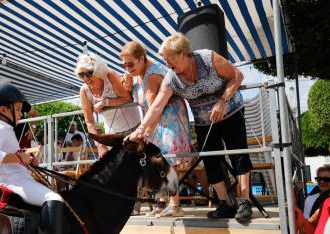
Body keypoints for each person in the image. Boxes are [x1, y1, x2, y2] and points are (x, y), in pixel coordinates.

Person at [127, 32, 252, 220]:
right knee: (210, 161)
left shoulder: (208, 58)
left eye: (171, 59)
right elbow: (157, 106)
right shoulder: (171, 78)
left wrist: (223, 101)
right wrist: (140, 129)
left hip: (231, 111)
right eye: (165, 60)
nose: (168, 64)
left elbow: (237, 76)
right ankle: (225, 203)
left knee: (238, 154)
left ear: (184, 53)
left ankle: (244, 201)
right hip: (203, 121)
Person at [0, 83, 83, 234]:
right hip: (11, 181)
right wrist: (20, 158)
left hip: (16, 176)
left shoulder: (5, 127)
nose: (21, 114)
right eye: (17, 109)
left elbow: (8, 154)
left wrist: (25, 157)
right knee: (54, 199)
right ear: (3, 110)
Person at [120, 41, 191, 217]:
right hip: (155, 120)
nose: (127, 68)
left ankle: (175, 205)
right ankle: (162, 203)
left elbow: (154, 109)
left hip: (167, 119)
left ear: (142, 58)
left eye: (130, 64)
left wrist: (146, 132)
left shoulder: (152, 76)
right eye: (124, 65)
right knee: (157, 161)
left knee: (167, 161)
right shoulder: (138, 73)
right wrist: (128, 85)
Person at [76, 52, 141, 157]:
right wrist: (100, 146)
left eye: (89, 73)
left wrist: (105, 102)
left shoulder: (109, 75)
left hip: (133, 127)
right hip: (112, 134)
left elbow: (128, 99)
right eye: (81, 74)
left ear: (98, 70)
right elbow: (89, 121)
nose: (85, 78)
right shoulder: (84, 91)